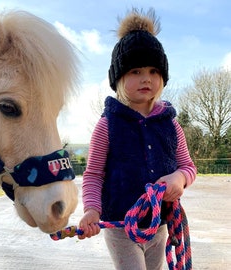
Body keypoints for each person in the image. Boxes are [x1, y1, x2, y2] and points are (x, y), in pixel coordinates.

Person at [78, 8, 197, 270]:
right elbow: (94, 174)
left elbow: (188, 167)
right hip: (121, 229)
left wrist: (179, 178)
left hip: (160, 225)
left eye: (154, 71)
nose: (146, 78)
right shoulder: (107, 125)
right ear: (119, 77)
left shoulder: (171, 125)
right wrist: (92, 210)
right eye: (136, 71)